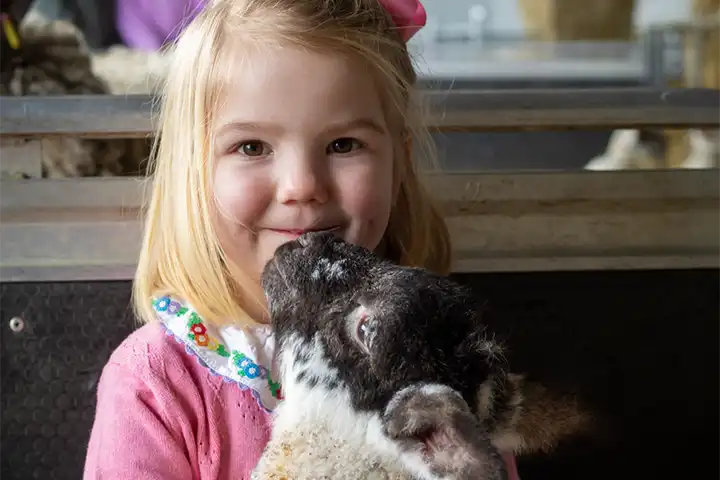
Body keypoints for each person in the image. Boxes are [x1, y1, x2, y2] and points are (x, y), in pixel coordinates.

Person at [82, 0, 522, 478]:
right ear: (194, 173)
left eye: (343, 145)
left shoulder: (438, 352)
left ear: (399, 162)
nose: (302, 186)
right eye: (251, 147)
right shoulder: (155, 384)